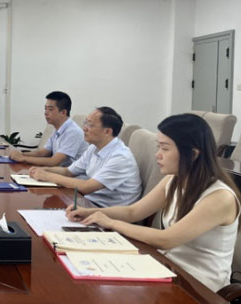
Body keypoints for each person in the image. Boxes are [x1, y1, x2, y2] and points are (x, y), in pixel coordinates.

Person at [67, 113, 240, 292]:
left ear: (193, 154)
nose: (158, 155)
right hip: (168, 268)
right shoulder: (174, 180)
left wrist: (111, 223)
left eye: (165, 148)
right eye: (158, 147)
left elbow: (166, 239)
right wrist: (90, 213)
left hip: (199, 287)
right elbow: (133, 212)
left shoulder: (219, 198)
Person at [29, 106, 141, 207]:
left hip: (108, 212)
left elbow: (86, 187)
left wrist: (47, 176)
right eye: (85, 123)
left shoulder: (120, 157)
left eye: (90, 125)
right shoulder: (93, 147)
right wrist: (44, 170)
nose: (84, 128)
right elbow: (68, 172)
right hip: (89, 202)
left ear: (107, 131)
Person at [10, 91, 86, 167]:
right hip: (58, 170)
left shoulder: (73, 132)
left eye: (50, 109)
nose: (46, 113)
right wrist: (21, 154)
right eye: (45, 109)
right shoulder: (57, 129)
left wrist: (23, 158)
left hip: (70, 173)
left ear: (63, 112)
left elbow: (54, 161)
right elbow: (42, 153)